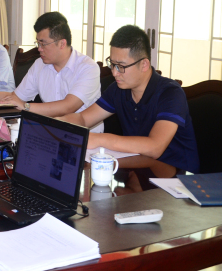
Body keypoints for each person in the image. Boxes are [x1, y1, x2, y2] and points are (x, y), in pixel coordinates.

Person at [62, 25, 199, 173]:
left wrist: (99, 139)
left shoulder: (170, 94)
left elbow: (155, 147)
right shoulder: (119, 89)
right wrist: (54, 125)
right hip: (139, 170)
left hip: (177, 178)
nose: (114, 73)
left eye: (121, 66)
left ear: (144, 64)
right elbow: (83, 119)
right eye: (112, 64)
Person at [0, 12, 100, 117]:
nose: (39, 49)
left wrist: (26, 107)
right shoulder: (40, 65)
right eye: (38, 43)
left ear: (62, 43)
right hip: (49, 132)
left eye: (43, 44)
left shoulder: (88, 68)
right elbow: (15, 98)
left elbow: (68, 107)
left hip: (86, 138)